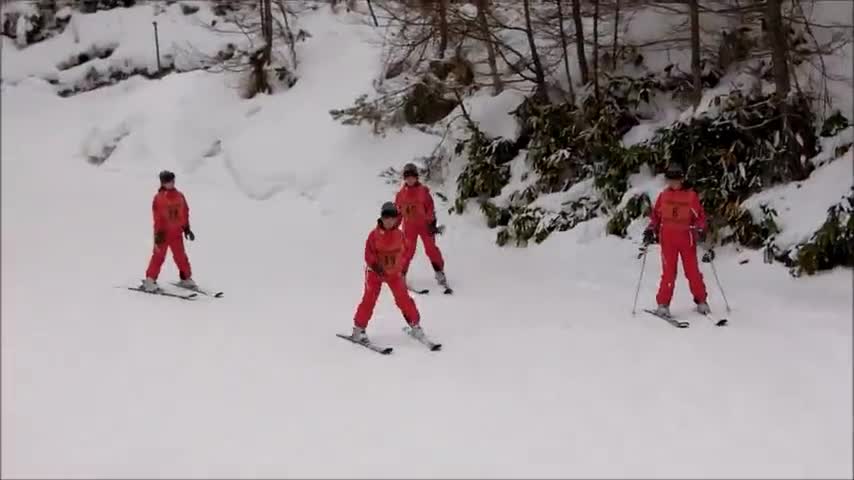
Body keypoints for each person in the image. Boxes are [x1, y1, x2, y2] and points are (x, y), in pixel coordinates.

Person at [643, 163, 711, 316]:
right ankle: (663, 304)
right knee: (668, 273)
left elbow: (700, 217)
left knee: (692, 272)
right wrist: (650, 229)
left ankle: (701, 300)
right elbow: (656, 216)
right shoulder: (664, 196)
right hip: (667, 240)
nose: (673, 183)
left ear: (682, 179)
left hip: (686, 240)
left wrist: (701, 228)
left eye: (676, 180)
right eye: (670, 180)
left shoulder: (690, 196)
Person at [351, 202, 424, 343]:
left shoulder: (400, 235)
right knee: (369, 299)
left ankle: (415, 325)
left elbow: (404, 252)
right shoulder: (374, 235)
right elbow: (368, 254)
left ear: (396, 219)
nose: (389, 221)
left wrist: (400, 268)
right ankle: (358, 329)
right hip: (375, 273)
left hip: (393, 274)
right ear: (382, 218)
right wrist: (375, 265)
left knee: (403, 299)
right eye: (386, 217)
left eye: (392, 217)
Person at [140, 170, 197, 292]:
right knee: (158, 257)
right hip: (163, 233)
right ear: (162, 183)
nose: (171, 184)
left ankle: (186, 278)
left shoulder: (180, 196)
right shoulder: (159, 198)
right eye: (168, 182)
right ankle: (150, 281)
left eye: (172, 181)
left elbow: (185, 212)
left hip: (177, 233)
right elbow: (158, 217)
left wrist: (187, 228)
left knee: (181, 256)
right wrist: (158, 234)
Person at [394, 163, 449, 289]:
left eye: (412, 176)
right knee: (407, 251)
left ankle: (439, 272)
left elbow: (430, 208)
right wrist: (393, 227)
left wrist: (431, 223)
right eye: (407, 177)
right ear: (405, 179)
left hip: (424, 225)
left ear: (416, 177)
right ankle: (401, 275)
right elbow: (398, 213)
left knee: (431, 249)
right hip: (409, 227)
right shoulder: (400, 195)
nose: (410, 179)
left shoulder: (423, 192)